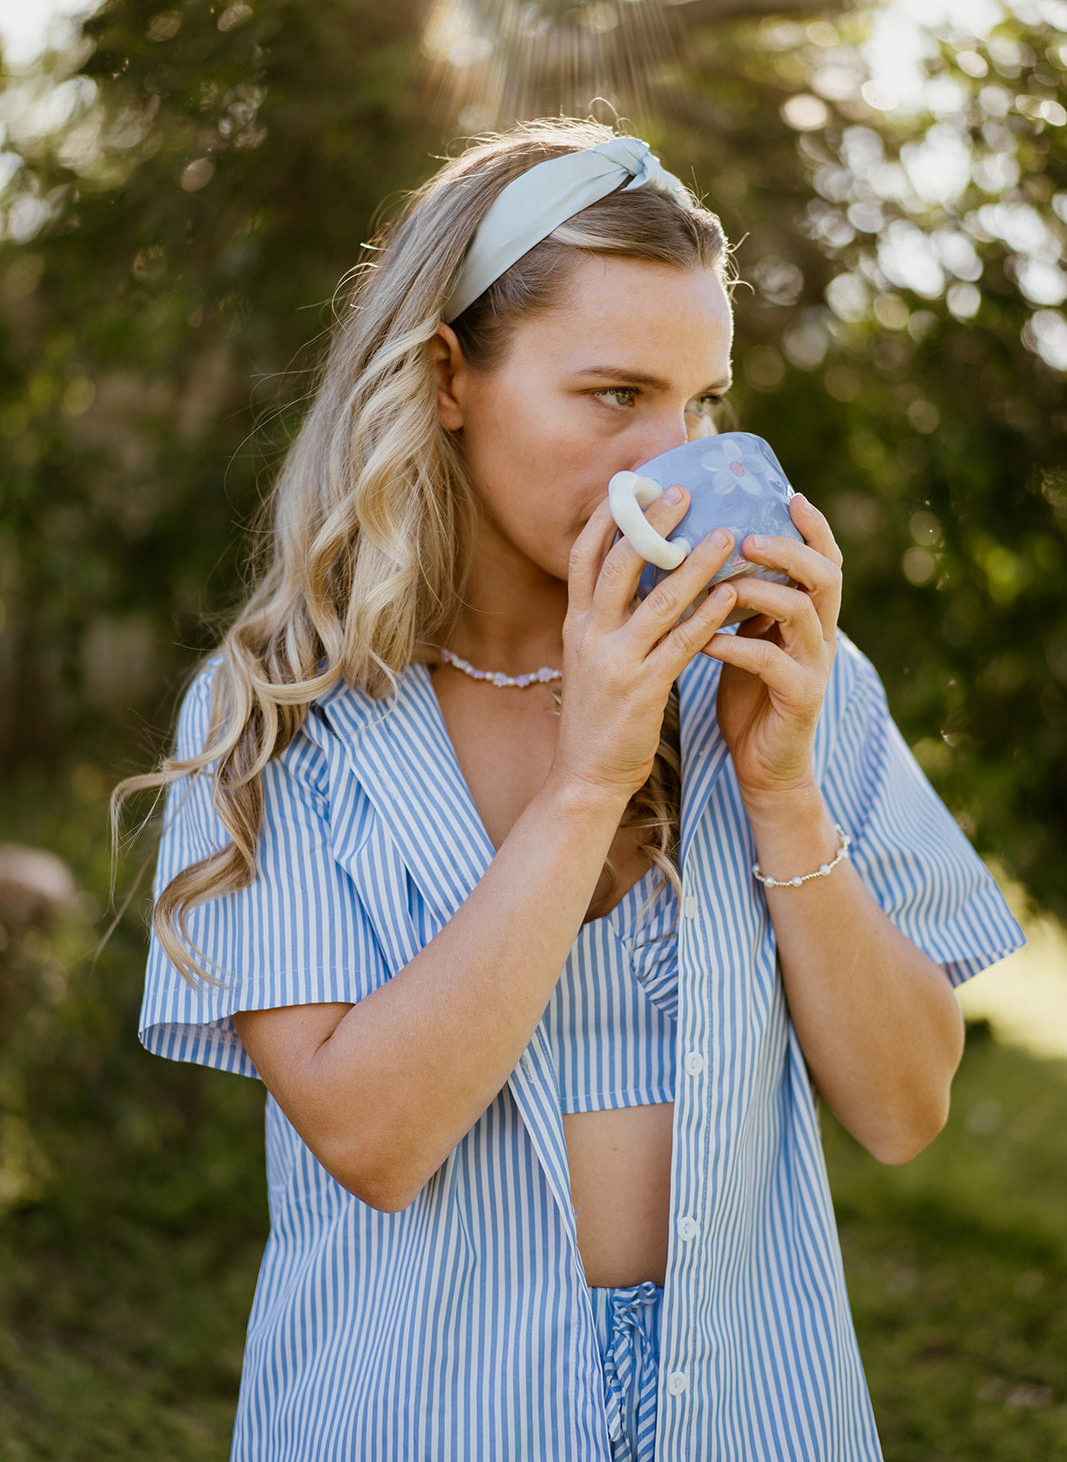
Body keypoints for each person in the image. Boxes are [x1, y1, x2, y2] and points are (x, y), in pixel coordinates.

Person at [131, 119, 1024, 1462]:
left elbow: (905, 1110)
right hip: (419, 1414)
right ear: (448, 378)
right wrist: (590, 777)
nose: (666, 457)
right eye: (614, 395)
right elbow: (372, 1137)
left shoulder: (780, 676)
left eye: (700, 402)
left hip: (753, 1413)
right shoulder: (282, 717)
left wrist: (781, 789)